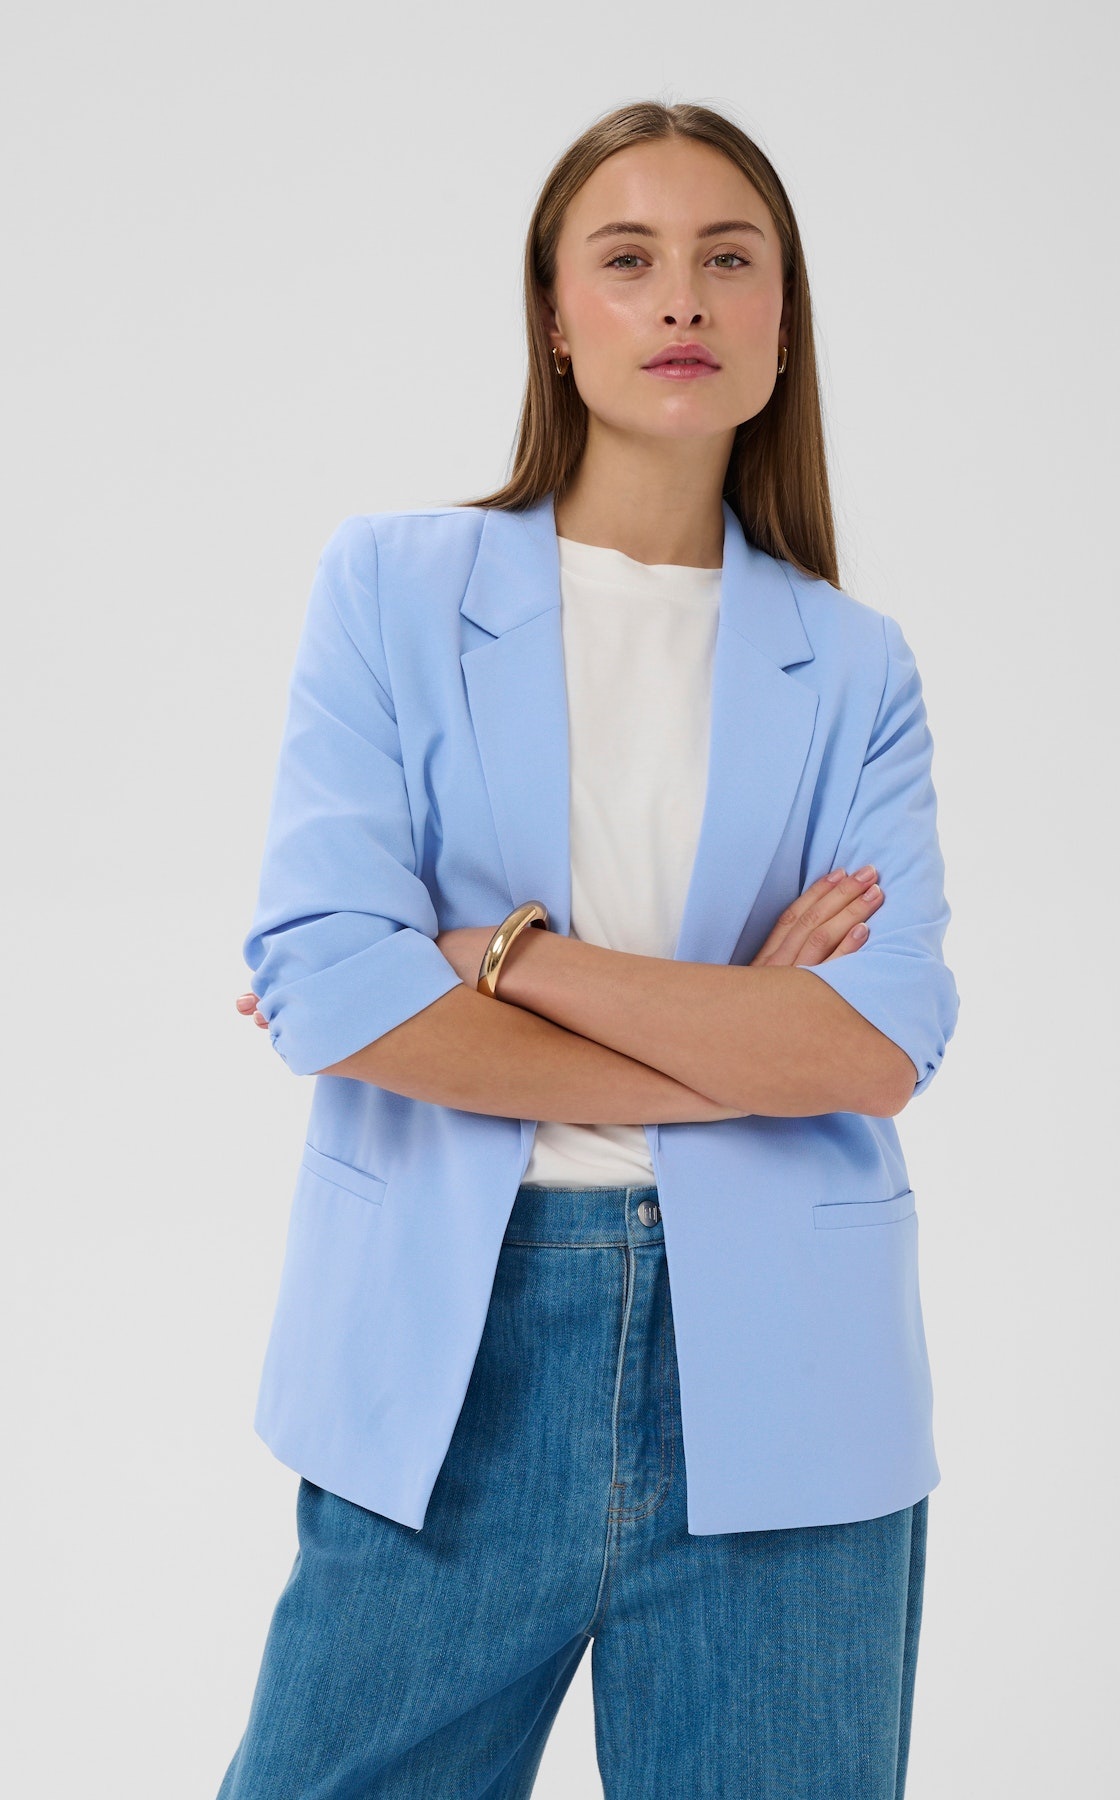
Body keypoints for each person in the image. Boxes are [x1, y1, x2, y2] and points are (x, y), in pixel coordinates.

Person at [218, 99, 959, 1800]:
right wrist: (742, 1040)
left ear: (783, 326)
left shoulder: (855, 666)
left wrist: (501, 956)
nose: (682, 297)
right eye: (629, 259)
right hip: (450, 1362)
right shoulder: (394, 587)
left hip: (788, 1386)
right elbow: (329, 983)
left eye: (728, 260)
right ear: (555, 318)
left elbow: (874, 1046)